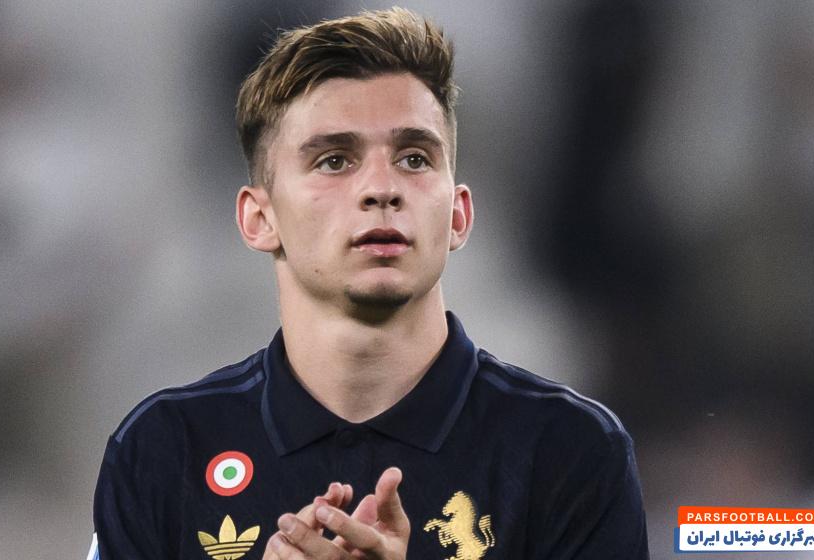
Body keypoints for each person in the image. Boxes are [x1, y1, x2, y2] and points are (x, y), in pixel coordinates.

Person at [89, 8, 648, 559]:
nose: (382, 188)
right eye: (335, 161)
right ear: (259, 218)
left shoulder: (570, 448)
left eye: (414, 158)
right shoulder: (161, 447)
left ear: (458, 215)